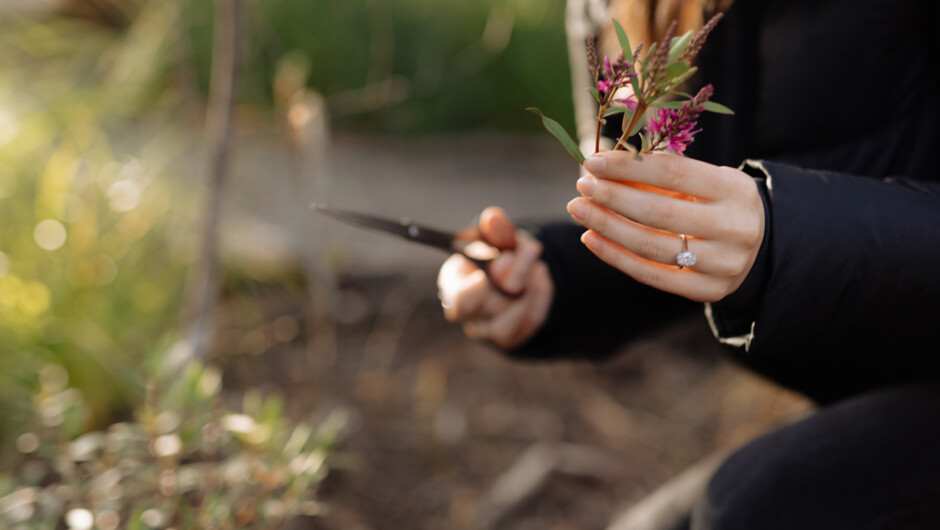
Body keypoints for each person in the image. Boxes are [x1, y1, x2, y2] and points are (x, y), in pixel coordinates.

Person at [437, 0, 940, 528]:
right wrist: (551, 275)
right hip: (876, 390)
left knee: (748, 509)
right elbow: (677, 230)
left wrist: (785, 232)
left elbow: (756, 235)